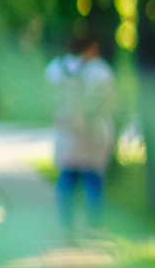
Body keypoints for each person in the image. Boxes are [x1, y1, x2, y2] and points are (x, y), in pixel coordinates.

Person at [47, 32, 119, 234]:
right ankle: (94, 227)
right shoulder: (100, 71)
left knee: (67, 179)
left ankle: (66, 226)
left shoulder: (55, 69)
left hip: (66, 133)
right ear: (92, 47)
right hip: (94, 132)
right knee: (93, 179)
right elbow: (111, 102)